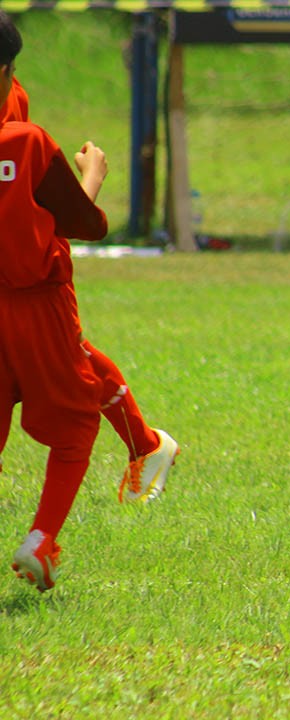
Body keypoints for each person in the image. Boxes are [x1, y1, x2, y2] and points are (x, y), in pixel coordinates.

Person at [0, 12, 171, 593]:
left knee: (75, 366)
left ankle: (148, 445)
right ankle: (42, 541)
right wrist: (91, 172)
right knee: (75, 417)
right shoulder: (27, 140)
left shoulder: (15, 112)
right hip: (37, 298)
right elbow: (84, 222)